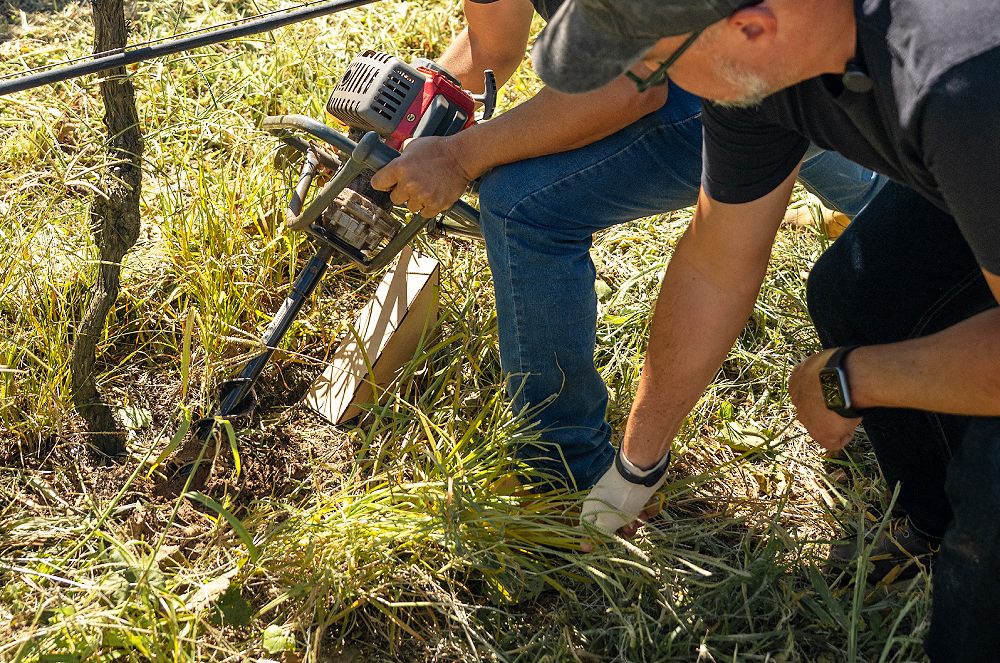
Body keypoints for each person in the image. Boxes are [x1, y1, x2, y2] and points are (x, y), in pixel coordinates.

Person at [530, 0, 1000, 659]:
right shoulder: (763, 68)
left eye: (654, 63)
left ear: (752, 26)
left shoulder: (962, 79)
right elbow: (716, 261)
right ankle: (931, 520)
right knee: (860, 292)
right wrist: (637, 465)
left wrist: (852, 378)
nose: (648, 80)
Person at [370, 0, 885, 489]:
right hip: (777, 54)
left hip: (732, 62)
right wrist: (417, 120)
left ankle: (562, 468)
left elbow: (630, 88)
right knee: (848, 153)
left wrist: (459, 158)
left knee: (523, 207)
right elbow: (490, 47)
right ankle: (891, 198)